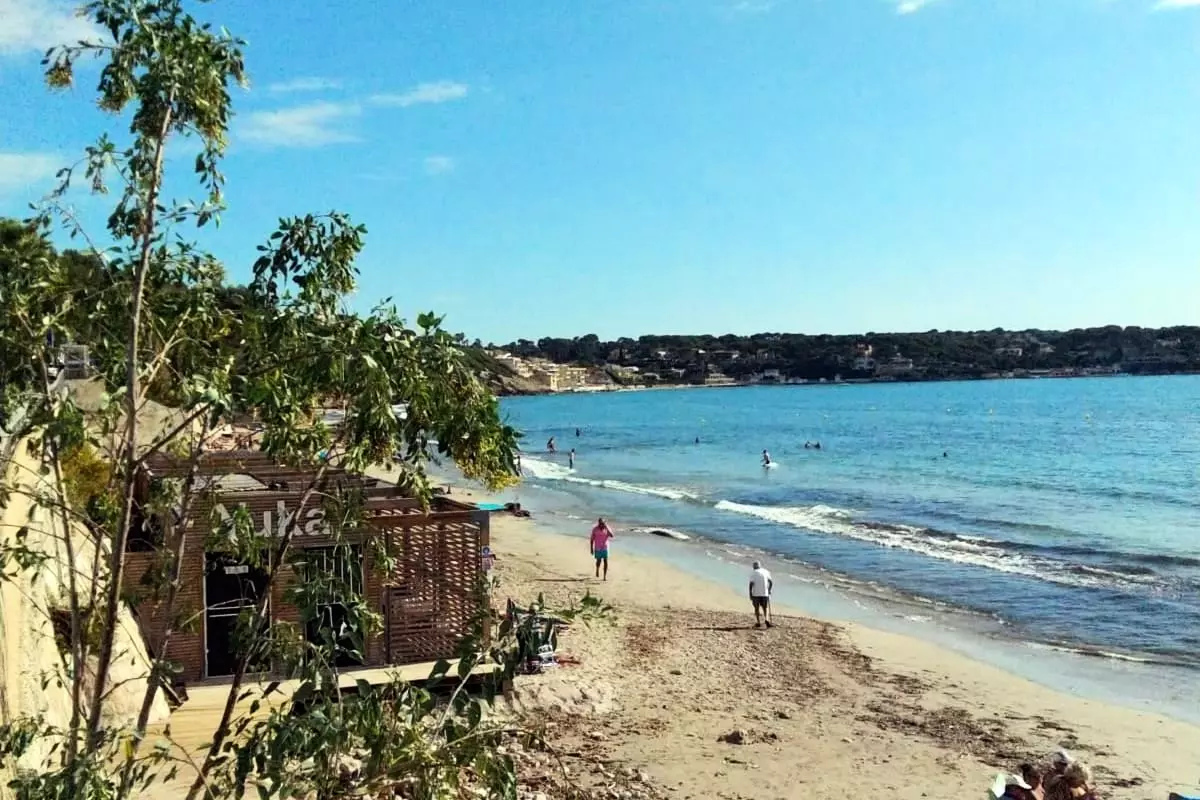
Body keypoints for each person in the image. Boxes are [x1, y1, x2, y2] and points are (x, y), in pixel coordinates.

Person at [748, 560, 773, 628]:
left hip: (756, 593)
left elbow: (751, 584)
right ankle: (766, 619)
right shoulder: (766, 571)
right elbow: (771, 582)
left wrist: (750, 593)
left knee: (756, 608)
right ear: (760, 566)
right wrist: (769, 590)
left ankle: (758, 622)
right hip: (765, 593)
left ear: (754, 567)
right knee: (765, 607)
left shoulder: (753, 573)